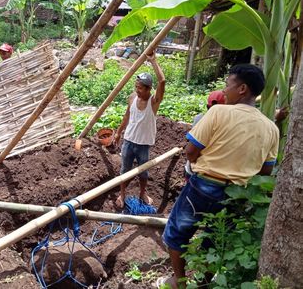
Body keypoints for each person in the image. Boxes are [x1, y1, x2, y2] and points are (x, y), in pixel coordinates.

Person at [161, 64, 279, 288]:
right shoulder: (271, 128)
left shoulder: (218, 112)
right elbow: (266, 171)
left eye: (227, 85)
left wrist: (204, 163)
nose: (224, 91)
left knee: (177, 233)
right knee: (217, 240)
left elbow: (190, 151)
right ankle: (204, 282)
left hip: (203, 187)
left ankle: (178, 280)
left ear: (242, 88)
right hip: (237, 194)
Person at [113, 52, 166, 208]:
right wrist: (118, 132)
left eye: (140, 88)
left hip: (144, 143)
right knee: (125, 170)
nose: (137, 90)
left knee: (143, 172)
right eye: (136, 87)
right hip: (129, 140)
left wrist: (154, 61)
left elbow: (162, 81)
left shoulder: (154, 101)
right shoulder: (132, 98)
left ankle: (143, 193)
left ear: (149, 89)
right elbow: (127, 116)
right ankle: (122, 195)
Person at [184, 90, 225, 181]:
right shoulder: (229, 125)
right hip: (214, 174)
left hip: (195, 169)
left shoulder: (199, 118)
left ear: (207, 106)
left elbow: (191, 150)